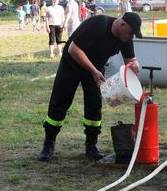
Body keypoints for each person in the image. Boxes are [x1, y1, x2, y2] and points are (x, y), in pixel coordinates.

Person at [37, 12, 142, 162]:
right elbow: (74, 49)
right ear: (122, 24)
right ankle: (48, 145)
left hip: (96, 70)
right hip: (72, 65)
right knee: (60, 102)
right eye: (131, 33)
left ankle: (91, 146)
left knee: (94, 106)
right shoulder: (99, 24)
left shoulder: (125, 38)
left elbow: (131, 60)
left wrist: (135, 66)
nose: (131, 37)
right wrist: (93, 70)